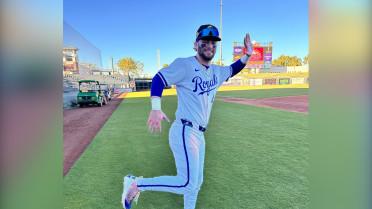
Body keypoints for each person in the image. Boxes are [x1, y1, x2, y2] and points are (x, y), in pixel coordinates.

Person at [121, 24, 253, 209]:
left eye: (213, 43)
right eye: (205, 42)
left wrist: (247, 55)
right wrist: (156, 108)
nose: (210, 46)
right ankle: (135, 183)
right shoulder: (185, 65)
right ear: (195, 44)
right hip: (185, 130)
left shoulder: (216, 71)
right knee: (186, 183)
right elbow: (159, 78)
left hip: (199, 134)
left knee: (195, 184)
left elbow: (232, 69)